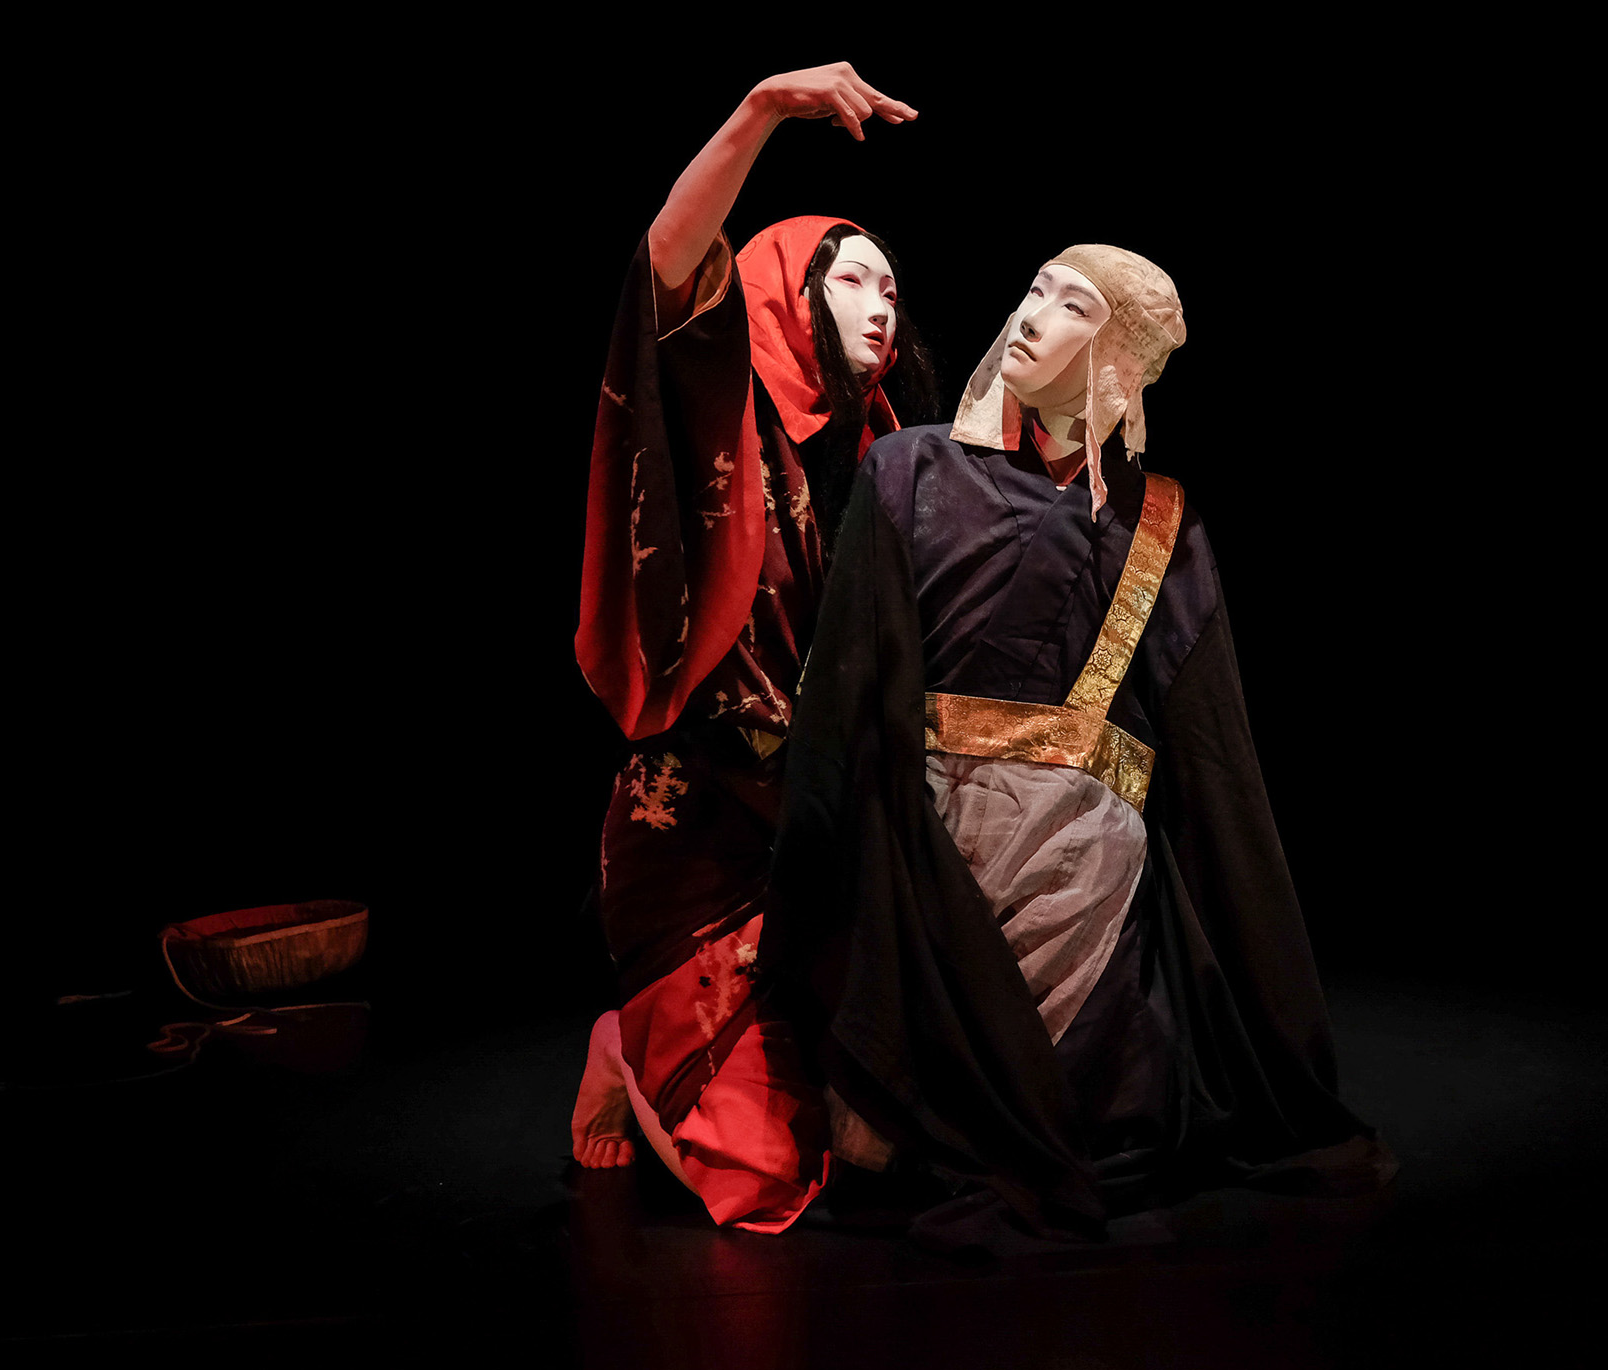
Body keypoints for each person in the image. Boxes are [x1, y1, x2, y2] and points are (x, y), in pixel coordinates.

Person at [768, 245, 1393, 1245]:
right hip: (930, 855)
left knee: (1094, 1116)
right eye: (1034, 290)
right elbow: (844, 691)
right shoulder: (909, 469)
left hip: (1085, 877)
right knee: (912, 1115)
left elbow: (1216, 767)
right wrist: (811, 893)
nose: (1030, 317)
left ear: (1120, 358)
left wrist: (1273, 1008)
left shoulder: (1162, 524)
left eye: (1073, 307)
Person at [567, 64, 934, 1232]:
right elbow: (667, 268)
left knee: (897, 1142)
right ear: (782, 290)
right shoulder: (720, 401)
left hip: (820, 828)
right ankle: (623, 1043)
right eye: (851, 278)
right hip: (700, 825)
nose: (881, 305)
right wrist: (763, 109)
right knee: (763, 1180)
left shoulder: (886, 456)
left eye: (892, 286)